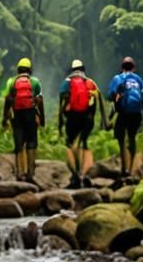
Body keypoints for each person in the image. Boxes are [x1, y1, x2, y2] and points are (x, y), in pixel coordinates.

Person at [57, 59, 108, 189]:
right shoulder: (91, 83)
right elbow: (98, 105)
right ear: (83, 69)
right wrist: (102, 121)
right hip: (88, 119)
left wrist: (60, 122)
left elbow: (62, 103)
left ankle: (76, 175)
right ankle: (84, 174)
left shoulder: (67, 83)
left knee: (70, 145)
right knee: (84, 145)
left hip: (72, 118)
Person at [2, 57, 44, 181]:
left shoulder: (11, 81)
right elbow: (40, 100)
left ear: (18, 70)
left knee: (19, 143)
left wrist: (5, 117)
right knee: (31, 142)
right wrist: (42, 117)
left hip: (17, 114)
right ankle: (31, 173)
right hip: (30, 114)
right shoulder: (35, 82)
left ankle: (20, 172)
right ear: (30, 70)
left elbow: (8, 99)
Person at [107, 55, 143, 179]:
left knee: (120, 138)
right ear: (134, 67)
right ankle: (131, 170)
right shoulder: (139, 79)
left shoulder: (118, 78)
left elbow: (111, 95)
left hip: (124, 113)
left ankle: (124, 168)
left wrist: (112, 112)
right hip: (136, 114)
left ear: (122, 67)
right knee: (132, 138)